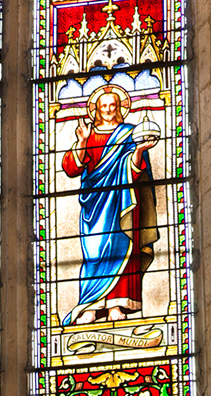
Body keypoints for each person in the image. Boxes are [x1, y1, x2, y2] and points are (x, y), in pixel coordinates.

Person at [61, 84, 159, 325]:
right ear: (96, 109)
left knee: (122, 247)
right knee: (94, 254)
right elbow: (72, 167)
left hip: (123, 199)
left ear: (119, 108)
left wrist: (139, 151)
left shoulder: (130, 133)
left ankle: (118, 303)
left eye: (112, 105)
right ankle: (91, 305)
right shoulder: (89, 134)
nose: (107, 109)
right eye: (103, 106)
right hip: (94, 203)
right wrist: (83, 141)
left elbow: (137, 169)